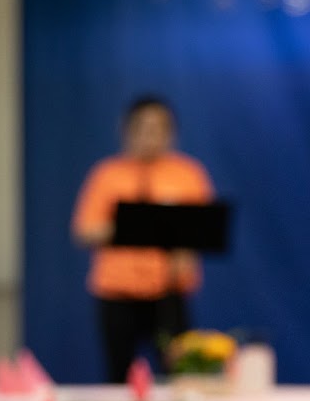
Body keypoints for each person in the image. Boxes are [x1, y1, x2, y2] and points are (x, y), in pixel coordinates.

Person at [71, 96, 215, 382]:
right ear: (127, 130)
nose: (151, 137)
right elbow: (84, 231)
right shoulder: (107, 174)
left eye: (159, 129)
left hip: (169, 290)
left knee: (180, 373)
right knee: (118, 375)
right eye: (144, 128)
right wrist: (134, 225)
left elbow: (206, 228)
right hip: (118, 292)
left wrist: (186, 248)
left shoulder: (188, 173)